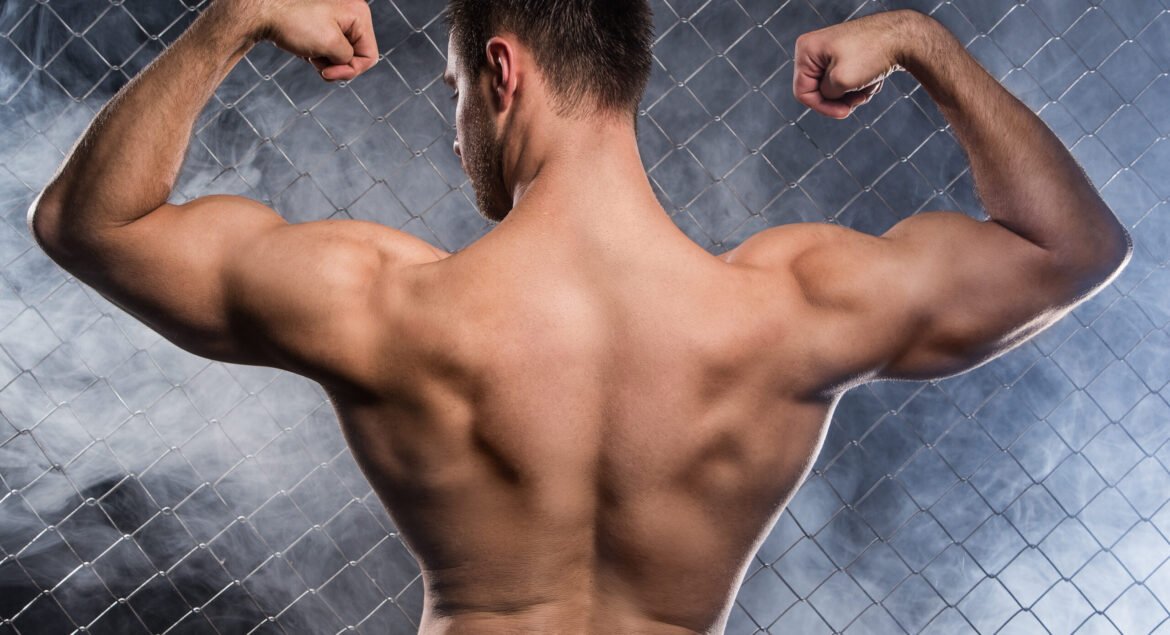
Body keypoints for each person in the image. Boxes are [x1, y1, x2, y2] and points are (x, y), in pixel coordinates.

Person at [26, 0, 1131, 632]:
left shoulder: (389, 302)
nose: (455, 122)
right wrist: (925, 45)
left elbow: (91, 223)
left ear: (501, 72)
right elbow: (1070, 245)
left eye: (454, 90)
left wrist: (239, 16)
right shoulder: (789, 307)